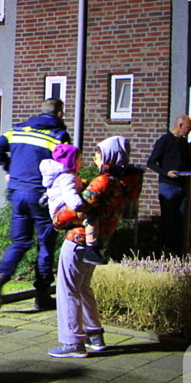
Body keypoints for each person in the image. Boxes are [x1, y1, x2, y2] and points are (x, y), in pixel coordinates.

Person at [49, 136, 144, 359]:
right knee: (84, 287)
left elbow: (77, 209)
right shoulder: (124, 181)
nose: (95, 157)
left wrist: (57, 220)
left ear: (110, 155)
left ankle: (73, 342)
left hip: (79, 239)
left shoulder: (104, 181)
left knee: (68, 290)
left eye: (99, 153)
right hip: (99, 241)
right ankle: (95, 335)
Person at [0, 98, 70, 310]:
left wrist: (8, 169)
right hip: (41, 196)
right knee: (45, 244)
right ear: (60, 113)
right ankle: (42, 296)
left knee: (20, 242)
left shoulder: (17, 130)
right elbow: (67, 165)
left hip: (17, 193)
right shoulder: (59, 135)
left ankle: (1, 277)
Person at [147, 115, 191, 256]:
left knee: (180, 221)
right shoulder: (165, 141)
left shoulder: (183, 143)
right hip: (168, 186)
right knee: (168, 221)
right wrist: (167, 173)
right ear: (180, 125)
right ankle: (166, 253)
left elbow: (185, 164)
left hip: (181, 185)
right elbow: (151, 162)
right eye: (188, 127)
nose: (190, 130)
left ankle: (179, 254)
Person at [39, 143, 106, 266]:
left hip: (59, 209)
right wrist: (81, 207)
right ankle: (91, 249)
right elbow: (70, 195)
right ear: (71, 161)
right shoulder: (67, 177)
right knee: (91, 218)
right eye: (79, 160)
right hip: (63, 210)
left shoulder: (64, 176)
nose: (82, 163)